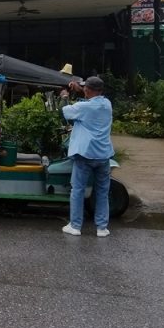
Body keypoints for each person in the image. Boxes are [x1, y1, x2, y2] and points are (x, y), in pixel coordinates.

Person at [60, 76, 114, 237]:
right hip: (104, 155)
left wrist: (65, 96)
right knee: (102, 192)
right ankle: (102, 228)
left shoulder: (83, 107)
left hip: (85, 155)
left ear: (88, 90)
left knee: (77, 190)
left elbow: (66, 112)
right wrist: (79, 89)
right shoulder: (107, 104)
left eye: (85, 88)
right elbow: (90, 101)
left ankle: (75, 226)